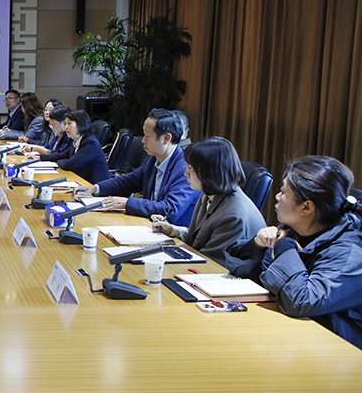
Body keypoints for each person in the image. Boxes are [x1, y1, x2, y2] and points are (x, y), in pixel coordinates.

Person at [224, 156, 362, 349]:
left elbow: (302, 301)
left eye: (283, 192)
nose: (277, 196)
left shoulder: (349, 252)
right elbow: (252, 276)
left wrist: (285, 247)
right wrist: (256, 246)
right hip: (294, 337)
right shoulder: (297, 229)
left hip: (336, 349)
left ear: (307, 207)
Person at [151, 137, 266, 265]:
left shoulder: (233, 216)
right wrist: (173, 230)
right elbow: (203, 237)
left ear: (208, 172)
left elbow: (211, 262)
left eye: (190, 169)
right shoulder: (209, 194)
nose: (185, 173)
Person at [78, 108, 199, 226]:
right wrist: (95, 188)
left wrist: (126, 203)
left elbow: (170, 209)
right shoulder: (153, 159)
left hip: (172, 234)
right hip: (149, 225)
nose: (143, 141)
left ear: (166, 138)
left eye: (147, 135)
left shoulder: (185, 169)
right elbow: (128, 181)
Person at [28, 109, 109, 186]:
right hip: (81, 181)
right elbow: (62, 155)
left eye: (69, 123)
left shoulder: (90, 143)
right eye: (65, 124)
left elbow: (70, 164)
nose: (66, 127)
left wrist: (58, 162)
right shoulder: (77, 140)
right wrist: (40, 157)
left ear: (81, 124)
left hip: (94, 187)